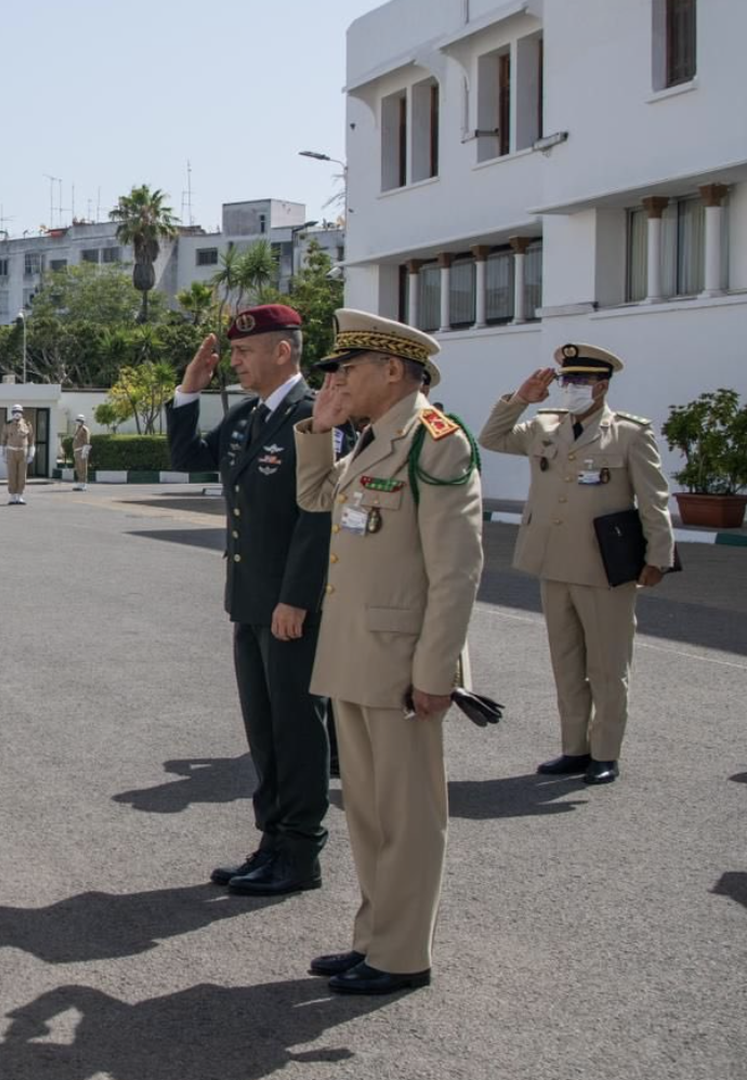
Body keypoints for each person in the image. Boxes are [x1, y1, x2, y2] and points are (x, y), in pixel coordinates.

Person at [294, 309, 483, 995]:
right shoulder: (374, 440)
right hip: (354, 656)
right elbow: (319, 498)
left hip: (404, 666)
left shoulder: (436, 441)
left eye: (348, 369)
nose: (338, 380)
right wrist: (318, 430)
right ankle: (374, 938)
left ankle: (403, 955)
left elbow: (455, 571)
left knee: (408, 817)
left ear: (393, 370)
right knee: (371, 815)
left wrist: (436, 673)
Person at [165, 304, 333, 896]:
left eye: (243, 352)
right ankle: (272, 842)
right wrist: (189, 391)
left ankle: (300, 852)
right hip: (251, 601)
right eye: (232, 353)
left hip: (293, 608)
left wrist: (297, 598)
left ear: (281, 351)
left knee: (298, 731)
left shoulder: (315, 416)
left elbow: (320, 519)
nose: (233, 361)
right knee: (264, 732)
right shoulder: (246, 418)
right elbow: (187, 459)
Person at [478, 344, 673, 786]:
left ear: (602, 386)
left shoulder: (629, 433)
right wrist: (521, 398)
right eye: (566, 381)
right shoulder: (545, 425)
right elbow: (491, 438)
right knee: (566, 662)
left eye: (580, 382)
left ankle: (605, 752)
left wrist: (658, 558)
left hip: (605, 566)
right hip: (553, 562)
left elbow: (653, 499)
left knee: (607, 665)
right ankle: (574, 748)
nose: (570, 389)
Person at [1, 404, 34, 505]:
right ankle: (12, 496)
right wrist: (3, 454)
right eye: (15, 412)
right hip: (11, 451)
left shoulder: (27, 424)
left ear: (22, 413)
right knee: (11, 474)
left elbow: (31, 440)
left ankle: (19, 496)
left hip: (22, 452)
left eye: (19, 412)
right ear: (12, 413)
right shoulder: (7, 424)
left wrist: (31, 454)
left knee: (22, 475)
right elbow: (3, 439)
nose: (17, 414)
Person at [70, 416, 91, 491]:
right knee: (78, 468)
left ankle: (83, 484)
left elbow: (87, 442)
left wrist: (84, 452)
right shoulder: (78, 429)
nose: (77, 422)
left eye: (79, 420)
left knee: (83, 468)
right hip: (77, 451)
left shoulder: (84, 429)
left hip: (82, 450)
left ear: (82, 421)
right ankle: (79, 483)